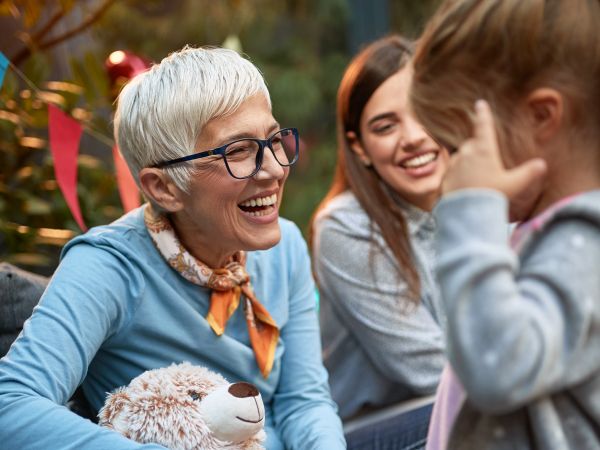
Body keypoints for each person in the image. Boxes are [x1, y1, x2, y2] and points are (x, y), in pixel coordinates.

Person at [0, 46, 345, 450]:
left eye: (273, 139)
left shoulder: (285, 248)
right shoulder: (108, 266)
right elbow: (12, 406)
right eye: (237, 151)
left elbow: (304, 402)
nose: (273, 169)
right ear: (163, 187)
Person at [409, 0, 600, 448]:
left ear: (541, 117)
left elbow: (499, 364)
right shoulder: (542, 228)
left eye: (459, 147)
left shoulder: (586, 243)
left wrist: (473, 208)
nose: (452, 173)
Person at [311, 35, 450, 449]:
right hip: (375, 429)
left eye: (425, 112)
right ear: (360, 148)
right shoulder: (344, 228)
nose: (413, 137)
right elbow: (432, 370)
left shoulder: (482, 201)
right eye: (386, 126)